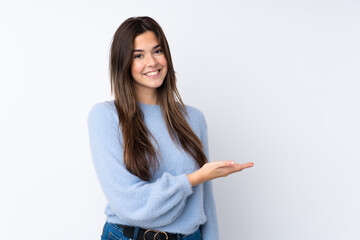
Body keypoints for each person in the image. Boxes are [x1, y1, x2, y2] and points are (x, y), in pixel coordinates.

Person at [87, 16, 254, 240]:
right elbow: (128, 202)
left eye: (157, 51)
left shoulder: (193, 119)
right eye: (138, 55)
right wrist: (193, 179)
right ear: (123, 63)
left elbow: (204, 201)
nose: (152, 62)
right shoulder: (105, 116)